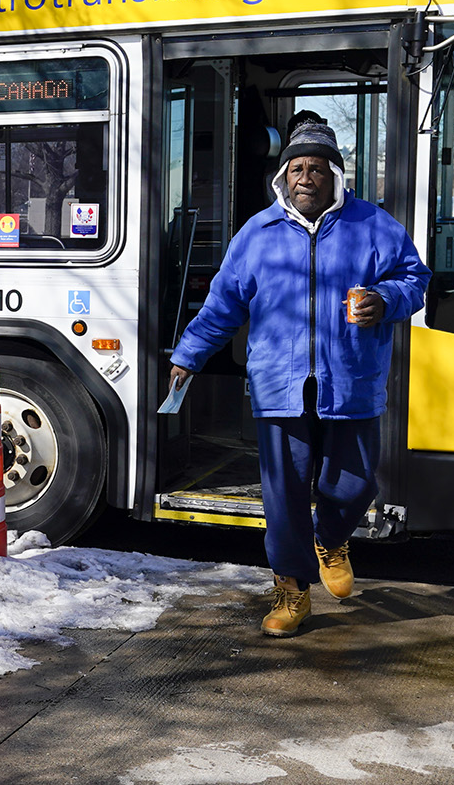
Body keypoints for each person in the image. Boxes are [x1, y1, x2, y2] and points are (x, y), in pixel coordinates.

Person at [169, 112, 430, 638]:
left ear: (335, 175)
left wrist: (386, 299)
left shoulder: (374, 226)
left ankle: (331, 538)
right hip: (278, 388)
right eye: (296, 168)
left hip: (352, 381)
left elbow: (415, 280)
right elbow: (223, 303)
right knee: (283, 494)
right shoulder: (258, 234)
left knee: (356, 484)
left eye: (316, 168)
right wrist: (189, 353)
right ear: (283, 176)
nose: (305, 177)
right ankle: (291, 589)